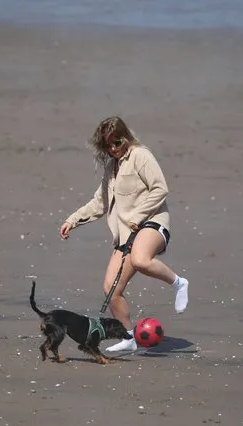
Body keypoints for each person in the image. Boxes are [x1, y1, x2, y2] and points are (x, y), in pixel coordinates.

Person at [59, 116, 189, 352]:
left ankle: (178, 283)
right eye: (107, 145)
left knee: (140, 259)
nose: (113, 149)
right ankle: (129, 338)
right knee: (111, 289)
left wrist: (136, 216)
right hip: (127, 233)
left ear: (126, 137)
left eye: (117, 143)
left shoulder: (141, 155)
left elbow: (161, 188)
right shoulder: (111, 166)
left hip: (152, 223)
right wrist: (73, 220)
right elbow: (100, 203)